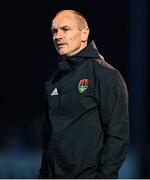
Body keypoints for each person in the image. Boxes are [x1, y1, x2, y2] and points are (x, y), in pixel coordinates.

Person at [38, 9, 129, 179]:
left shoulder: (105, 75)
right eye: (54, 31)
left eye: (65, 29)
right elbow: (47, 134)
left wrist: (104, 177)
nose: (58, 36)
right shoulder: (53, 79)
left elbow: (118, 135)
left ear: (84, 33)